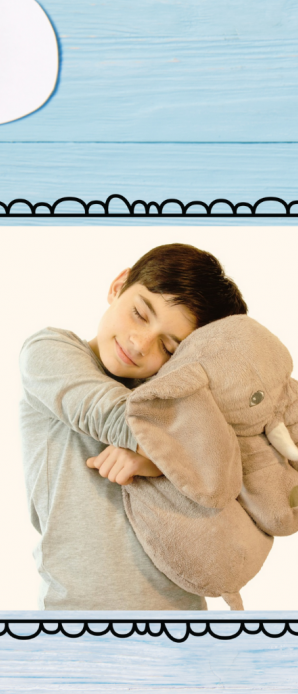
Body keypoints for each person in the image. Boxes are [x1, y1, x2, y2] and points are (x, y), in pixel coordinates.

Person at [19, 243, 248, 610]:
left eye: (169, 347)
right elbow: (111, 415)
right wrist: (174, 455)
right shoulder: (50, 351)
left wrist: (154, 460)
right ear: (119, 285)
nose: (140, 344)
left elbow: (241, 466)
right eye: (140, 314)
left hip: (184, 615)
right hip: (79, 614)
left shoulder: (182, 396)